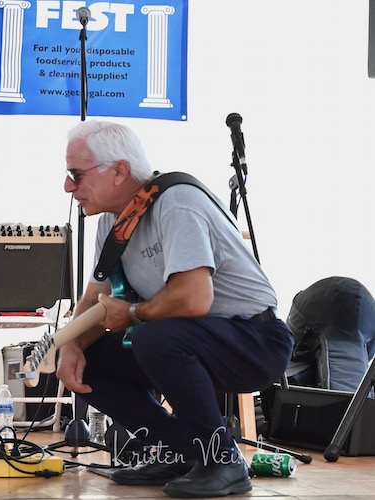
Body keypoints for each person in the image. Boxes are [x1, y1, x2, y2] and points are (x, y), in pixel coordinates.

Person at [55, 120, 294, 498]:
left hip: (256, 340)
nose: (69, 187)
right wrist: (69, 346)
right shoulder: (111, 222)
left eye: (76, 174)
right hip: (192, 339)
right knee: (92, 359)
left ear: (118, 170)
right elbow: (94, 299)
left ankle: (223, 462)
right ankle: (182, 451)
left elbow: (193, 298)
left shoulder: (176, 202)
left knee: (155, 337)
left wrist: (132, 315)